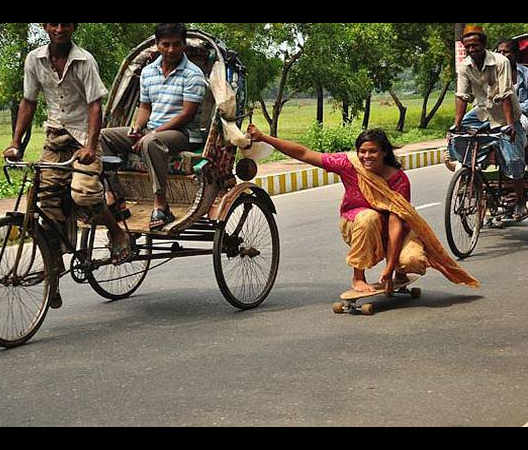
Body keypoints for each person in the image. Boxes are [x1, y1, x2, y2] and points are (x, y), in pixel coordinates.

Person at [246, 124, 480, 294]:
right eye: (363, 151)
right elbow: (304, 153)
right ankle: (358, 277)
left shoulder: (398, 180)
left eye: (373, 152)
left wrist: (390, 268)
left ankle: (398, 271)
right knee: (369, 217)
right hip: (357, 225)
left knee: (413, 262)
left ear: (384, 153)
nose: (366, 156)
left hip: (391, 231)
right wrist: (265, 138)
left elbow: (397, 222)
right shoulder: (350, 166)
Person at [3, 23, 131, 309]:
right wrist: (15, 143)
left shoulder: (84, 60)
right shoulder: (34, 59)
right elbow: (28, 101)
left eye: (65, 23)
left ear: (74, 26)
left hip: (84, 138)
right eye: (53, 23)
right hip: (54, 138)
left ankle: (116, 230)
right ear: (45, 26)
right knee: (44, 201)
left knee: (84, 194)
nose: (59, 28)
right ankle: (54, 267)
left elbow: (95, 106)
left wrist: (90, 146)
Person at [99, 23, 207, 230]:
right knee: (103, 136)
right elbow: (145, 107)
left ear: (184, 45)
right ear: (157, 45)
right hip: (152, 130)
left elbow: (187, 114)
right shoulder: (148, 72)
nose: (171, 50)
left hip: (182, 134)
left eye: (176, 45)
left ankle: (161, 205)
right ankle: (115, 197)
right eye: (165, 44)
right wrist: (137, 127)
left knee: (150, 141)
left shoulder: (193, 74)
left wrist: (153, 132)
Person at [446, 26, 527, 219]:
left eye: (475, 45)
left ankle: (520, 201)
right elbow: (461, 95)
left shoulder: (500, 62)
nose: (472, 49)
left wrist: (509, 125)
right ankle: (469, 176)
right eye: (468, 46)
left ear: (483, 44)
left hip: (506, 113)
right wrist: (457, 124)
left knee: (513, 161)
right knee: (457, 136)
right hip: (482, 111)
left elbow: (505, 94)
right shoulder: (465, 66)